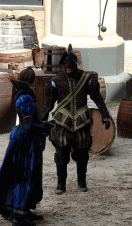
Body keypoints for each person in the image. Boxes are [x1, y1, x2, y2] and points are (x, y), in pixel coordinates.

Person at [0, 67, 53, 226]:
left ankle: (24, 210)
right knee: (24, 177)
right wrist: (46, 127)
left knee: (26, 176)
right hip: (24, 142)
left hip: (24, 140)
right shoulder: (25, 97)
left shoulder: (24, 94)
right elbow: (28, 126)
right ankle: (18, 216)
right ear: (32, 80)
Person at [41, 49, 111, 195]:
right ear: (62, 65)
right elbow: (48, 104)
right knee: (61, 155)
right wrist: (42, 119)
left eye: (70, 63)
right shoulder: (56, 81)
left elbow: (98, 98)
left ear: (75, 64)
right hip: (62, 122)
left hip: (81, 121)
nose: (68, 66)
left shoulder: (87, 79)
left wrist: (105, 116)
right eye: (65, 64)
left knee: (82, 154)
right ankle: (61, 184)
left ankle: (82, 182)